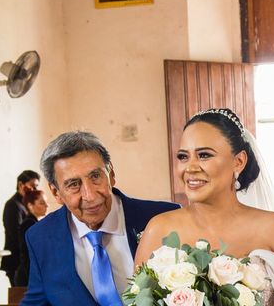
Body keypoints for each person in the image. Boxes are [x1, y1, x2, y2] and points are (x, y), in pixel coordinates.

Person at [135, 108, 274, 306]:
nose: (190, 168)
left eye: (204, 155)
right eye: (183, 156)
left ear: (239, 161)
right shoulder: (159, 229)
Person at [20, 131, 179, 306]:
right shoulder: (41, 237)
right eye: (74, 184)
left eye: (95, 176)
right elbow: (37, 301)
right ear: (56, 193)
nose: (90, 195)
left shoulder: (164, 218)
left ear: (111, 174)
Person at [1, 169, 40, 286]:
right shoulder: (12, 205)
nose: (35, 190)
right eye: (32, 186)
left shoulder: (23, 204)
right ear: (20, 185)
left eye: (36, 187)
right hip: (16, 263)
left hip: (24, 262)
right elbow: (16, 235)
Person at [15, 189, 49, 286]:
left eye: (46, 203)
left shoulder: (33, 223)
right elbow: (27, 255)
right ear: (30, 206)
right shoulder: (29, 224)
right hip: (27, 277)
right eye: (42, 203)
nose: (46, 206)